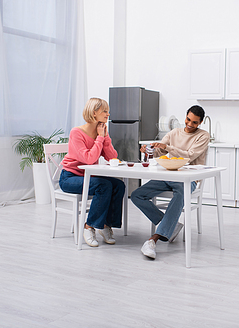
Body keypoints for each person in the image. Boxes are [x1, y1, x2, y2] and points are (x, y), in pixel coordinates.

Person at [131, 105, 210, 260]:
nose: (189, 124)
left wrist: (167, 147)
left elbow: (190, 155)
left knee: (181, 193)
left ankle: (153, 240)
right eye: (188, 119)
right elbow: (160, 152)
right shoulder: (174, 133)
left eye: (194, 122)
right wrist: (150, 150)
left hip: (189, 178)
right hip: (167, 174)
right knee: (136, 195)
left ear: (200, 123)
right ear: (185, 116)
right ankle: (169, 225)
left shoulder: (203, 136)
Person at [59, 97, 125, 247]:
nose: (108, 114)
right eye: (105, 111)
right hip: (70, 177)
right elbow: (89, 159)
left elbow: (112, 157)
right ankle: (89, 226)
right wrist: (100, 138)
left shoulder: (100, 133)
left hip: (89, 177)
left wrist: (105, 137)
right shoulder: (76, 133)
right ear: (94, 113)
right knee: (104, 186)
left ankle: (106, 226)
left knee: (118, 185)